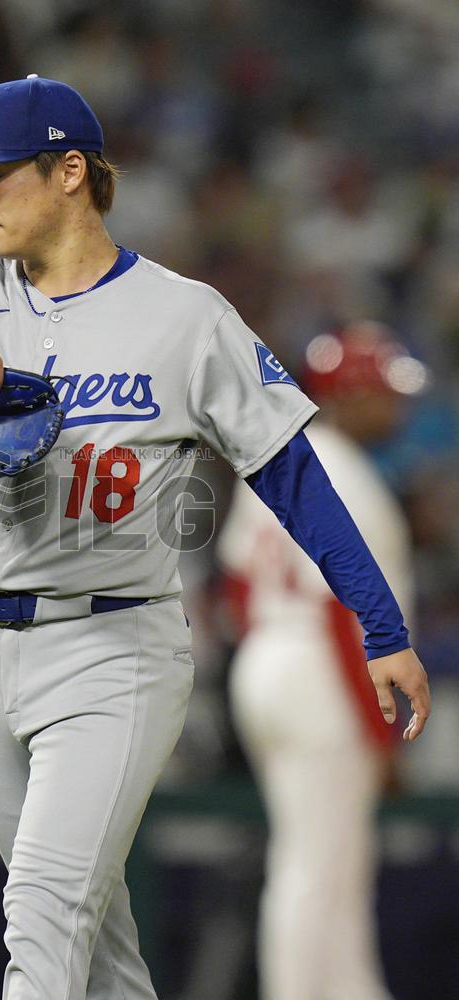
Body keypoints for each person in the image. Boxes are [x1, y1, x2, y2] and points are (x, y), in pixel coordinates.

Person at [0, 76, 431, 1000]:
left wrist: (383, 628)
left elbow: (293, 475)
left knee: (43, 919)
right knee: (94, 953)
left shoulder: (184, 316)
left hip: (114, 645)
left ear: (68, 172)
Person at [218, 322, 429, 1000]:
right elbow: (349, 613)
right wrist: (381, 729)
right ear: (346, 395)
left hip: (266, 660)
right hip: (322, 673)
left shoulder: (286, 461)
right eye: (380, 392)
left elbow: (239, 586)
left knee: (327, 859)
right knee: (315, 864)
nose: (393, 406)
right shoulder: (348, 476)